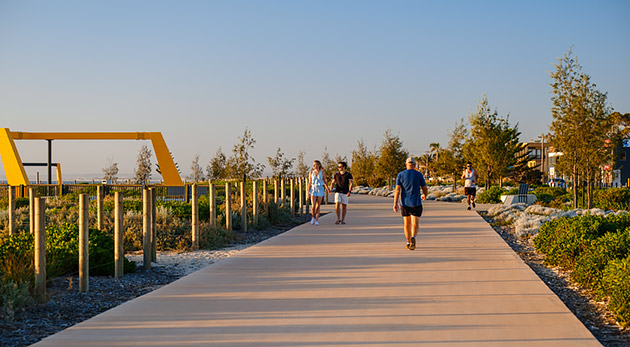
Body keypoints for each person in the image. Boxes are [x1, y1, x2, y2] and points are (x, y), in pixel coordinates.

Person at [393, 157, 428, 251]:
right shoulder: (419, 174)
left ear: (406, 164)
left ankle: (408, 242)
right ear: (415, 165)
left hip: (405, 203)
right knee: (415, 223)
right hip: (416, 202)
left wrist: (395, 203)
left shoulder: (400, 175)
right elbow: (424, 187)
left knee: (406, 224)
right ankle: (413, 237)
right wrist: (425, 195)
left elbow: (397, 189)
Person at [307, 160, 329, 226]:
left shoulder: (322, 173)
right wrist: (308, 192)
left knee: (318, 205)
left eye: (316, 165)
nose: (314, 166)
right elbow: (310, 182)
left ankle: (316, 219)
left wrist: (328, 189)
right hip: (313, 189)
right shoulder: (311, 172)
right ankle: (313, 217)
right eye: (313, 165)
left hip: (320, 188)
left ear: (319, 165)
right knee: (313, 206)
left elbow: (325, 181)